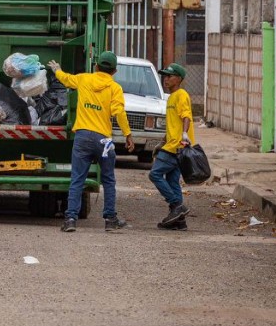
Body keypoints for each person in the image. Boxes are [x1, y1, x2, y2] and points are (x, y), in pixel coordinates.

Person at [48, 51, 135, 233]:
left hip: (82, 136)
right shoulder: (115, 89)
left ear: (96, 66)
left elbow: (66, 79)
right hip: (103, 140)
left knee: (77, 179)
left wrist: (57, 70)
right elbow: (119, 112)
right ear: (114, 71)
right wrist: (128, 134)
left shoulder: (84, 79)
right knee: (109, 180)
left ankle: (71, 219)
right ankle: (110, 219)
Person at [150, 62, 195, 230]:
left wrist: (184, 135)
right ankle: (179, 221)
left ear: (179, 79)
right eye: (165, 76)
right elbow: (172, 125)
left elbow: (186, 117)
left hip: (177, 146)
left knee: (154, 174)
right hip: (171, 143)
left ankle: (177, 206)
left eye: (169, 76)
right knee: (172, 181)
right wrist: (162, 143)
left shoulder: (181, 94)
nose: (166, 79)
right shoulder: (171, 97)